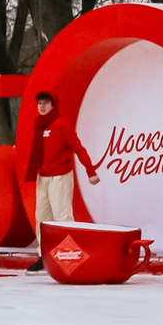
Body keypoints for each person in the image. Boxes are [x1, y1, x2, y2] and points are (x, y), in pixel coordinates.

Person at [21, 91, 99, 270]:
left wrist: (90, 171)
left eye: (45, 103)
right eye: (39, 103)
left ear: (53, 105)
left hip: (60, 176)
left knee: (62, 217)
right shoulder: (39, 125)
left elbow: (78, 148)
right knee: (42, 218)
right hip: (44, 177)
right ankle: (44, 256)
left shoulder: (61, 124)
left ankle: (69, 256)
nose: (42, 106)